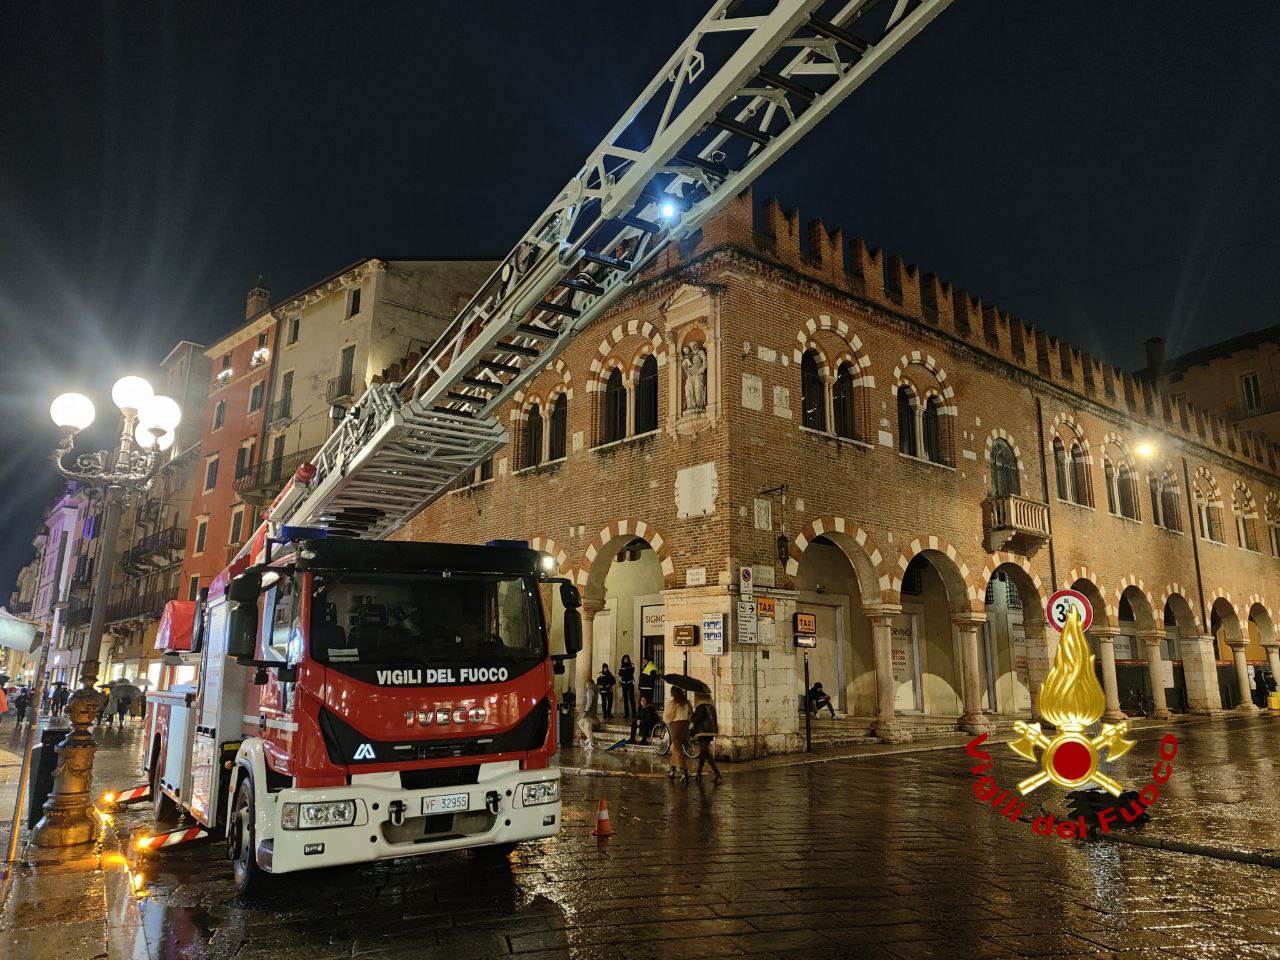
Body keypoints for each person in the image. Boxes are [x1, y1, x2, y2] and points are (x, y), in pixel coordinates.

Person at [662, 686, 693, 782]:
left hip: (676, 727)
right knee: (675, 748)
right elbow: (691, 714)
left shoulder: (672, 703)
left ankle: (684, 772)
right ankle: (672, 771)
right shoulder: (687, 703)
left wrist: (669, 721)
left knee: (679, 750)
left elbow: (667, 717)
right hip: (685, 727)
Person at [691, 693, 722, 783]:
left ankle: (716, 773)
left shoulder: (700, 707)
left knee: (706, 753)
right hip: (710, 732)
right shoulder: (711, 706)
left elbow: (697, 718)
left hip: (703, 732)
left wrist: (691, 716)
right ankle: (699, 773)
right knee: (704, 753)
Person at [577, 676, 599, 752]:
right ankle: (590, 739)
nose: (585, 685)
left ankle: (591, 743)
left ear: (589, 683)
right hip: (591, 714)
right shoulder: (593, 690)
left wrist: (585, 712)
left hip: (589, 714)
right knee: (582, 724)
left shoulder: (589, 690)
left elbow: (589, 702)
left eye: (586, 684)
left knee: (584, 724)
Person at [618, 655, 636, 720]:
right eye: (625, 659)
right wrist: (625, 672)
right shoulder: (621, 666)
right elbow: (620, 674)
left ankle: (634, 714)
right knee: (625, 699)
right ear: (623, 659)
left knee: (632, 698)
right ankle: (626, 714)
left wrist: (624, 672)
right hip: (624, 684)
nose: (626, 660)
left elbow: (630, 673)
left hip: (630, 683)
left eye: (627, 658)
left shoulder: (631, 665)